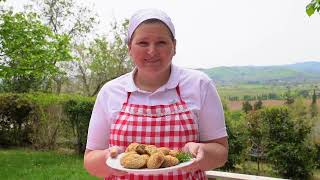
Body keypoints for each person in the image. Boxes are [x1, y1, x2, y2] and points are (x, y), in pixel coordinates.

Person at [84, 8, 228, 180]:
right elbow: (90, 161)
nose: (152, 51)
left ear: (174, 46)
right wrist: (109, 159)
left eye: (161, 42)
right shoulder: (110, 92)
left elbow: (221, 152)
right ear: (130, 47)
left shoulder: (200, 85)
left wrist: (202, 153)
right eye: (143, 43)